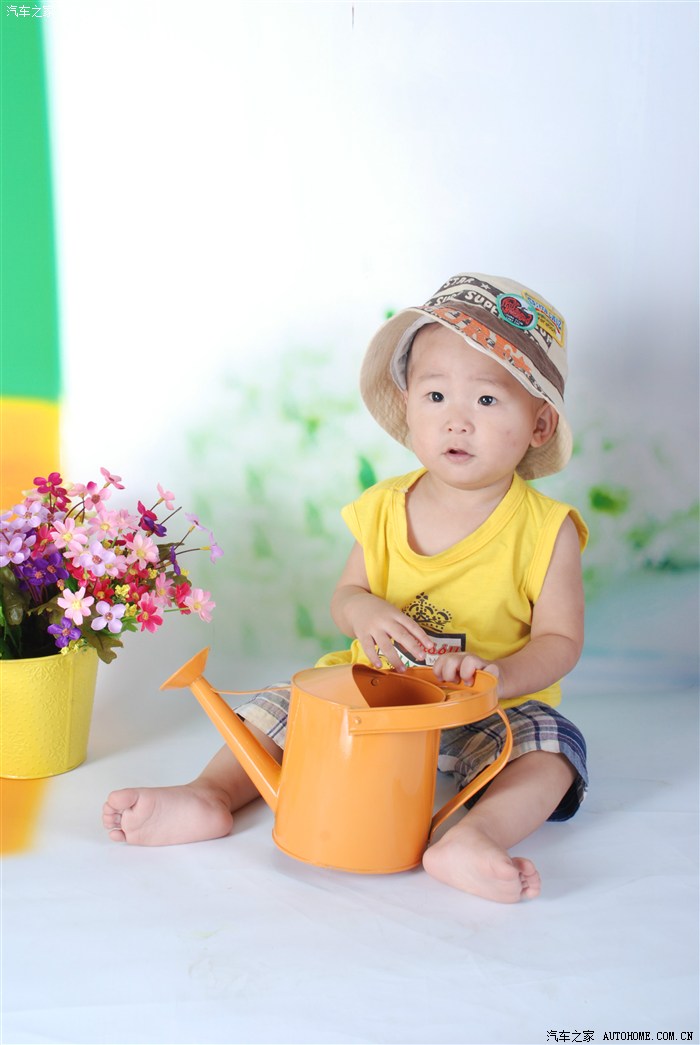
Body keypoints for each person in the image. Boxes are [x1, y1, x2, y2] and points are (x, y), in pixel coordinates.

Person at [103, 272, 588, 904]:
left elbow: (560, 640)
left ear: (540, 425)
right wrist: (363, 611)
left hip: (485, 708)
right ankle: (210, 794)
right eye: (435, 395)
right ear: (408, 405)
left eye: (487, 401)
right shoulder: (383, 507)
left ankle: (475, 838)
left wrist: (500, 676)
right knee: (283, 705)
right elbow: (346, 595)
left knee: (551, 749)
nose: (456, 421)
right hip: (370, 697)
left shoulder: (548, 529)